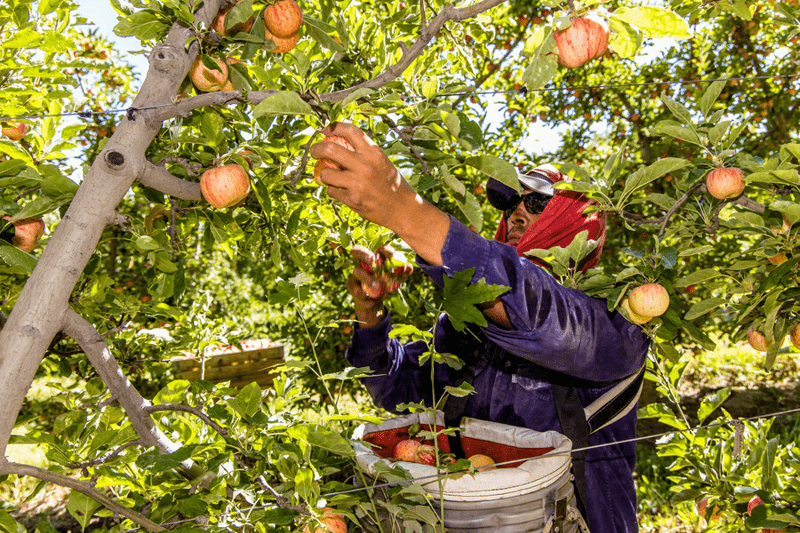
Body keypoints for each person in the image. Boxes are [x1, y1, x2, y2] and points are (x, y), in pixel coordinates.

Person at [310, 123, 650, 533]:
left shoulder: (613, 321)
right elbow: (395, 392)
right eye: (513, 204)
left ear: (578, 219)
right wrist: (370, 313)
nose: (518, 212)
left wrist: (405, 209)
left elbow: (540, 314)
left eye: (538, 202)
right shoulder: (465, 321)